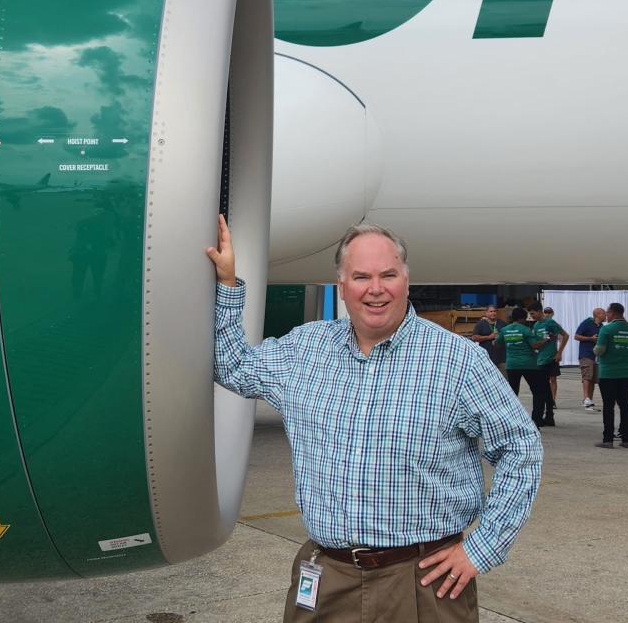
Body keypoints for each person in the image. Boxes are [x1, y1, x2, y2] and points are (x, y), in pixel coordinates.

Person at [207, 216, 542, 622]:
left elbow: (521, 449)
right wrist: (226, 285)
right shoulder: (305, 349)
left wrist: (482, 547)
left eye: (389, 274)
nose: (376, 289)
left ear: (406, 279)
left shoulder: (458, 361)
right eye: (361, 276)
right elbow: (234, 366)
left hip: (422, 584)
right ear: (342, 285)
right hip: (327, 576)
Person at [594, 302, 628, 448]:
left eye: (607, 313)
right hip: (627, 373)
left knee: (608, 406)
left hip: (609, 373)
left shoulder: (606, 330)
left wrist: (595, 349)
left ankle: (608, 439)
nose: (606, 316)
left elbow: (600, 349)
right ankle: (627, 440)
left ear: (612, 313)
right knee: (625, 405)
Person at [497, 308, 552, 426]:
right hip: (529, 365)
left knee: (512, 393)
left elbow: (496, 343)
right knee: (538, 393)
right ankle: (536, 420)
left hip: (512, 365)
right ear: (522, 318)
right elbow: (535, 345)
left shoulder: (504, 329)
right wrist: (546, 340)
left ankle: (511, 420)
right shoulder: (526, 330)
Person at [528, 302, 568, 412]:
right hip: (540, 359)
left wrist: (559, 352)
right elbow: (537, 343)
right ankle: (548, 407)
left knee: (552, 380)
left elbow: (565, 335)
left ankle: (551, 403)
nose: (532, 316)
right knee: (543, 386)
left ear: (540, 311)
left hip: (551, 359)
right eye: (530, 314)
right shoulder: (535, 325)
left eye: (533, 313)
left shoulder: (550, 322)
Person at [574, 308, 606, 409]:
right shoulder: (587, 322)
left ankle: (589, 400)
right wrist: (590, 338)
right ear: (598, 315)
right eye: (604, 314)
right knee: (587, 376)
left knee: (593, 379)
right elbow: (576, 336)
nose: (606, 316)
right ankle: (585, 398)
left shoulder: (602, 326)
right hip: (586, 354)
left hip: (597, 356)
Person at [471, 305, 505, 371]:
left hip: (501, 357)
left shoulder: (502, 323)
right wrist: (489, 337)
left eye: (495, 311)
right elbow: (474, 337)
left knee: (503, 378)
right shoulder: (481, 324)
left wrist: (500, 337)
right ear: (486, 313)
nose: (493, 313)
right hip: (487, 357)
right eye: (491, 311)